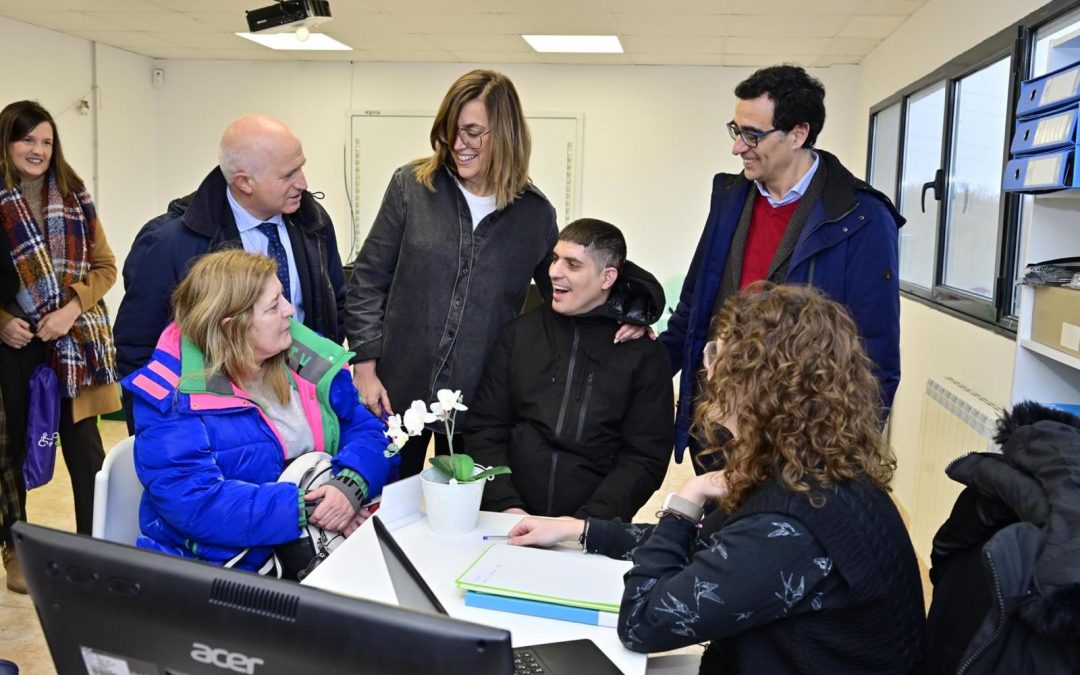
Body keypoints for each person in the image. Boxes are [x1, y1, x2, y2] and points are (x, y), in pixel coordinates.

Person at [509, 284, 926, 674]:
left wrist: (687, 497)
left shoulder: (791, 524)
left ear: (758, 385)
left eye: (718, 357)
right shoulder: (813, 469)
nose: (709, 374)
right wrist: (579, 530)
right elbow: (710, 548)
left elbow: (641, 623)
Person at [659, 65, 903, 470]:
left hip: (800, 444)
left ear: (798, 134)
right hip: (719, 427)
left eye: (752, 135)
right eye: (735, 131)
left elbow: (875, 354)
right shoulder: (730, 199)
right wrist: (633, 364)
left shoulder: (861, 217)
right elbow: (692, 312)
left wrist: (845, 459)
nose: (738, 148)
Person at [123, 250, 394, 577]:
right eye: (274, 305)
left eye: (283, 297)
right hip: (212, 571)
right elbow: (196, 504)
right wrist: (314, 509)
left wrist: (351, 485)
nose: (290, 311)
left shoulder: (306, 359)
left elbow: (372, 433)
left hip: (305, 554)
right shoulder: (170, 395)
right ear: (233, 325)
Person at [345, 69, 558, 478]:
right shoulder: (412, 187)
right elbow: (369, 280)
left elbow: (564, 296)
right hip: (393, 390)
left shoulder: (535, 215)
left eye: (473, 132)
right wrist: (365, 367)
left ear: (506, 134)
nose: (459, 145)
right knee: (386, 502)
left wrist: (623, 317)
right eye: (452, 131)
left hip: (479, 402)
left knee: (462, 512)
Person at [113, 114, 347, 433]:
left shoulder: (313, 224)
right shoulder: (170, 243)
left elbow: (336, 305)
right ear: (244, 182)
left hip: (306, 413)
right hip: (216, 425)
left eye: (301, 166)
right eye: (288, 174)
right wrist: (160, 432)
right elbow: (137, 348)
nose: (303, 182)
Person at [466, 218, 673, 521]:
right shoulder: (519, 334)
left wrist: (584, 524)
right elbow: (485, 427)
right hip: (507, 521)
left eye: (573, 264)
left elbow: (644, 458)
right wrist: (506, 506)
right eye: (555, 258)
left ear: (607, 277)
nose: (553, 272)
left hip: (590, 532)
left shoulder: (643, 354)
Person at [0, 101, 120, 594]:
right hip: (11, 347)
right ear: (7, 143)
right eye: (28, 140)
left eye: (46, 141)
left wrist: (71, 308)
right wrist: (3, 321)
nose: (38, 150)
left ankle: (91, 548)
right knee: (7, 452)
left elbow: (106, 268)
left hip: (70, 343)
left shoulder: (74, 197)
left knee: (86, 452)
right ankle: (15, 547)